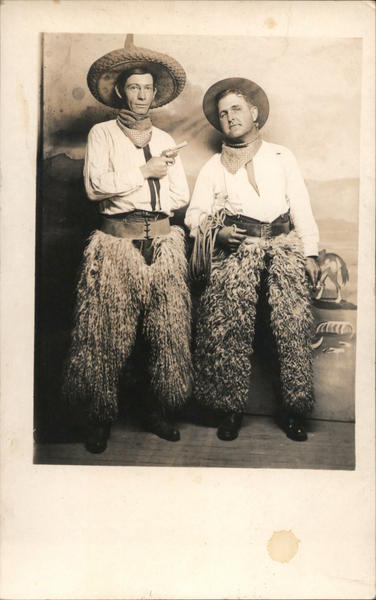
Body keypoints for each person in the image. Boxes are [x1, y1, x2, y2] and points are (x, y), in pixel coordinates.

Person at [63, 36, 192, 453]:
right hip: (116, 245)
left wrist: (152, 185)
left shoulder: (168, 138)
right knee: (106, 335)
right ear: (121, 90)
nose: (141, 95)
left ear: (156, 95)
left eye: (147, 89)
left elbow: (180, 197)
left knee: (164, 335)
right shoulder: (102, 133)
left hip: (164, 245)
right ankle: (100, 417)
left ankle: (157, 412)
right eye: (133, 87)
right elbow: (96, 187)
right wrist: (146, 171)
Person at [185, 77, 320, 442]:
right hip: (234, 254)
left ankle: (294, 410)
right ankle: (229, 410)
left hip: (282, 249)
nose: (229, 117)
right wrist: (218, 232)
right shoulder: (214, 166)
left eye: (237, 109)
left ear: (255, 112)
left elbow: (301, 207)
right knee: (228, 331)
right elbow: (194, 215)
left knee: (289, 333)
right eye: (223, 113)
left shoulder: (281, 156)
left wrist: (309, 253)